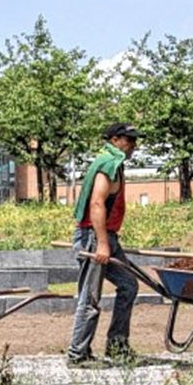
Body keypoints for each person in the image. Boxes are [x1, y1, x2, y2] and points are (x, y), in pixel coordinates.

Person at [66, 122, 141, 367]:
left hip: (105, 235)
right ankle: (78, 355)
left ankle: (117, 346)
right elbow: (97, 204)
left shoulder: (113, 162)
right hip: (93, 237)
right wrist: (102, 244)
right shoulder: (108, 163)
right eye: (129, 141)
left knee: (128, 285)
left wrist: (108, 240)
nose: (133, 146)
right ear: (115, 139)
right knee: (90, 297)